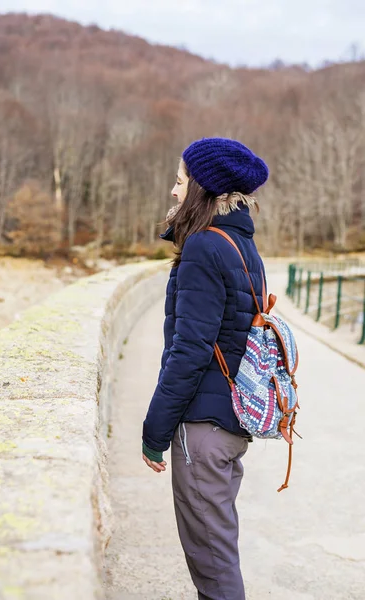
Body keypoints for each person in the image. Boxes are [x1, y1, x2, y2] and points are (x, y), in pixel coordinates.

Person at [141, 137, 269, 600]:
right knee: (218, 552)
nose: (174, 192)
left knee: (213, 568)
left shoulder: (202, 249)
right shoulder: (241, 246)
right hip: (231, 427)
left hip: (203, 429)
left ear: (202, 188)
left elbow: (190, 350)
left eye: (180, 182)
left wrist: (154, 433)